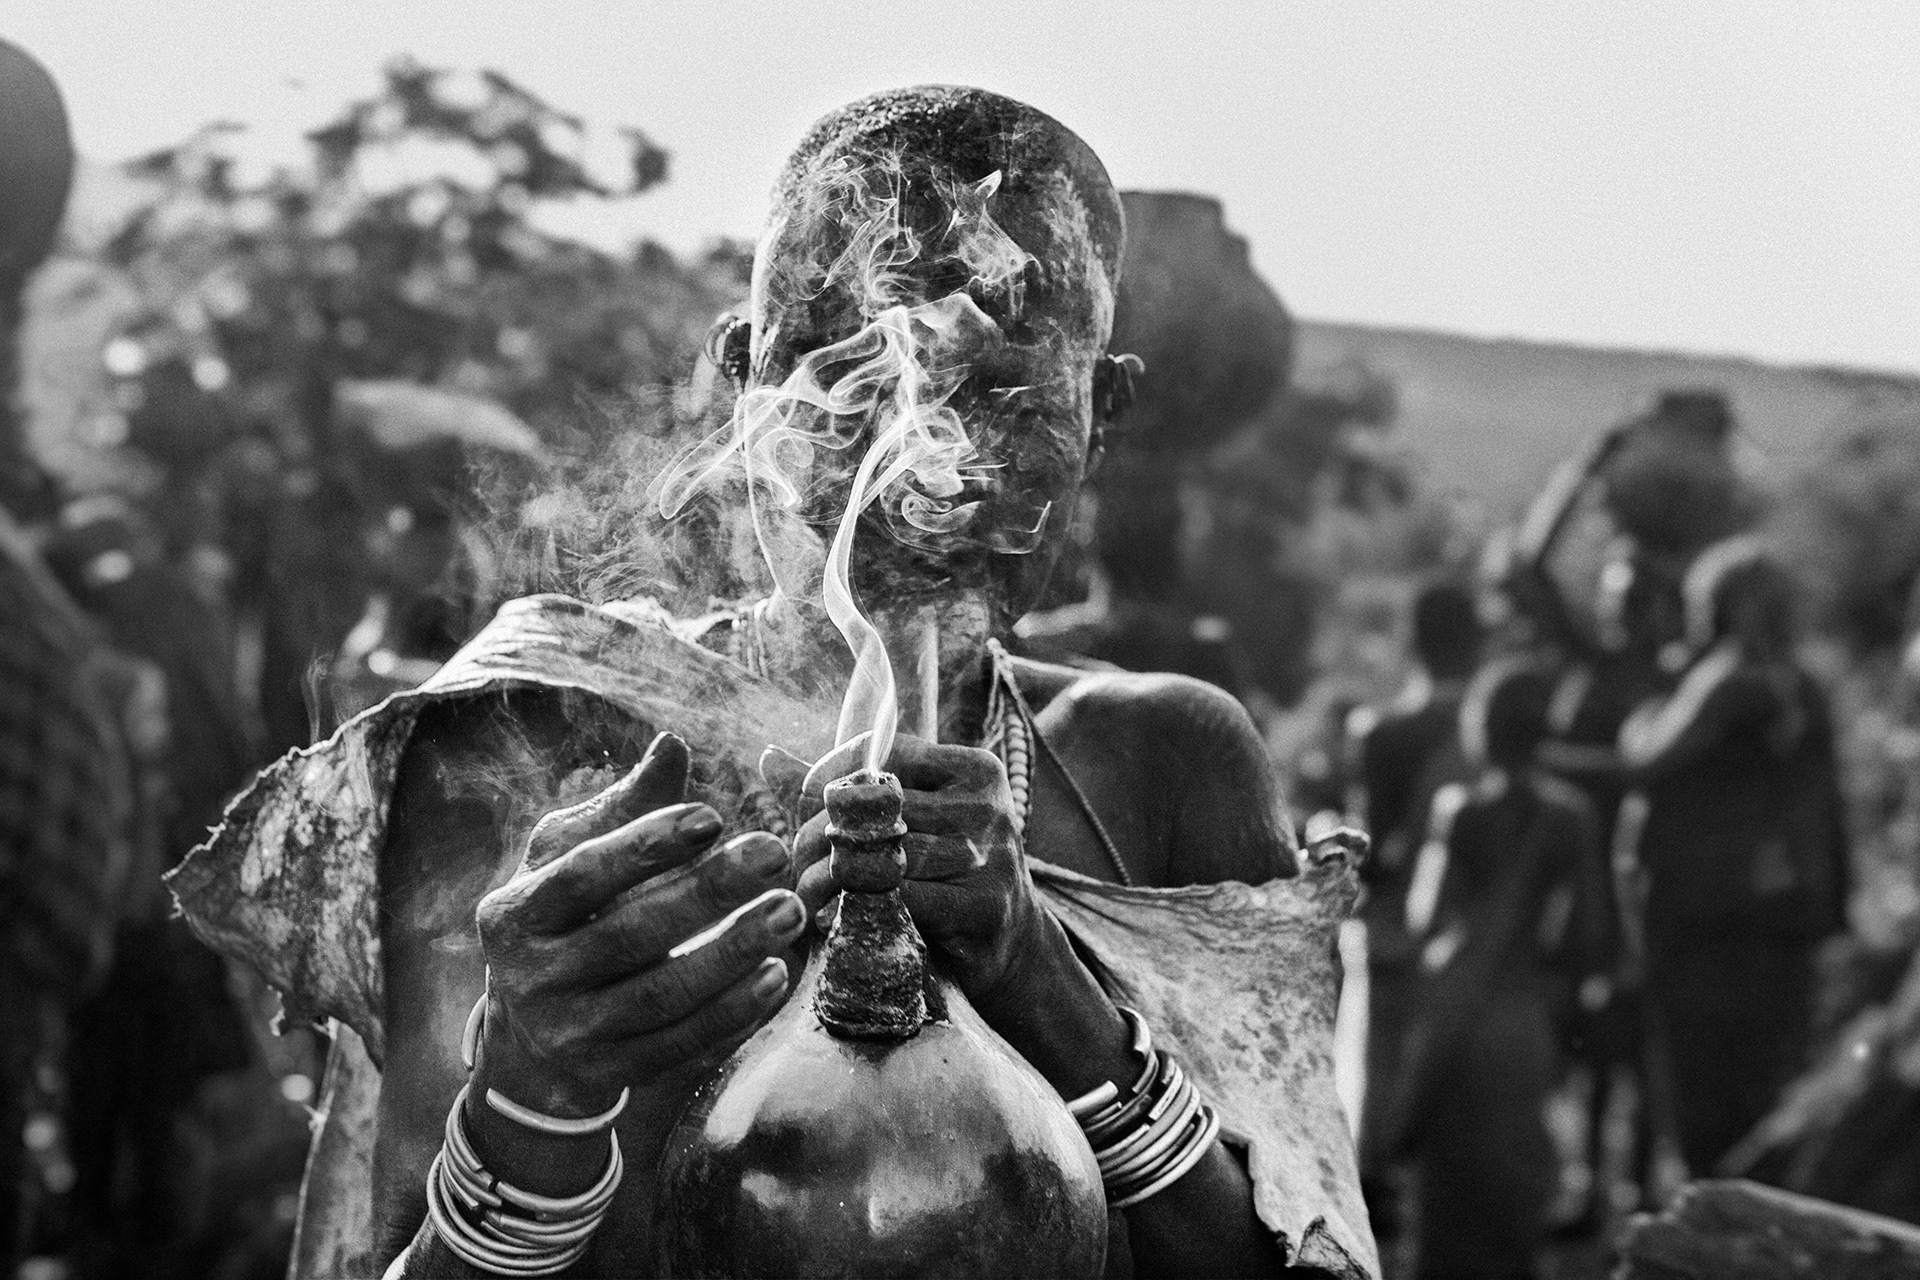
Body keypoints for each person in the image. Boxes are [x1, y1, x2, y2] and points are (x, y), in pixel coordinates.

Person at [170, 87, 1375, 1278]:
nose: (915, 456)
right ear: (748, 378)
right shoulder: (534, 738)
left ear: (1101, 411)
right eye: (838, 372)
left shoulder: (1160, 761)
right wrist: (535, 1095)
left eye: (1001, 387)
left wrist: (1039, 977)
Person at [1617, 538, 1851, 1176]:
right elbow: (1830, 810)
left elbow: (1643, 762)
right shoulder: (1806, 687)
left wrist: (1644, 706)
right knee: (1770, 1097)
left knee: (1705, 1104)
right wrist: (1833, 909)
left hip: (1708, 927)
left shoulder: (1725, 681)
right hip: (1785, 924)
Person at [1392, 659, 1613, 1280]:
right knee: (1514, 1184)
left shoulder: (1459, 810)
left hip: (1455, 1014)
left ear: (1480, 729)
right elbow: (1590, 931)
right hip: (1525, 1020)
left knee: (1447, 1197)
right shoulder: (1572, 816)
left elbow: (1423, 918)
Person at [1348, 581, 1482, 1227]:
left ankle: (1376, 1192)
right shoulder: (1499, 728)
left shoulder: (1384, 733)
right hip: (1477, 939)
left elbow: (1371, 849)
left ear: (1414, 642)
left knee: (1379, 1068)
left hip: (1396, 927)